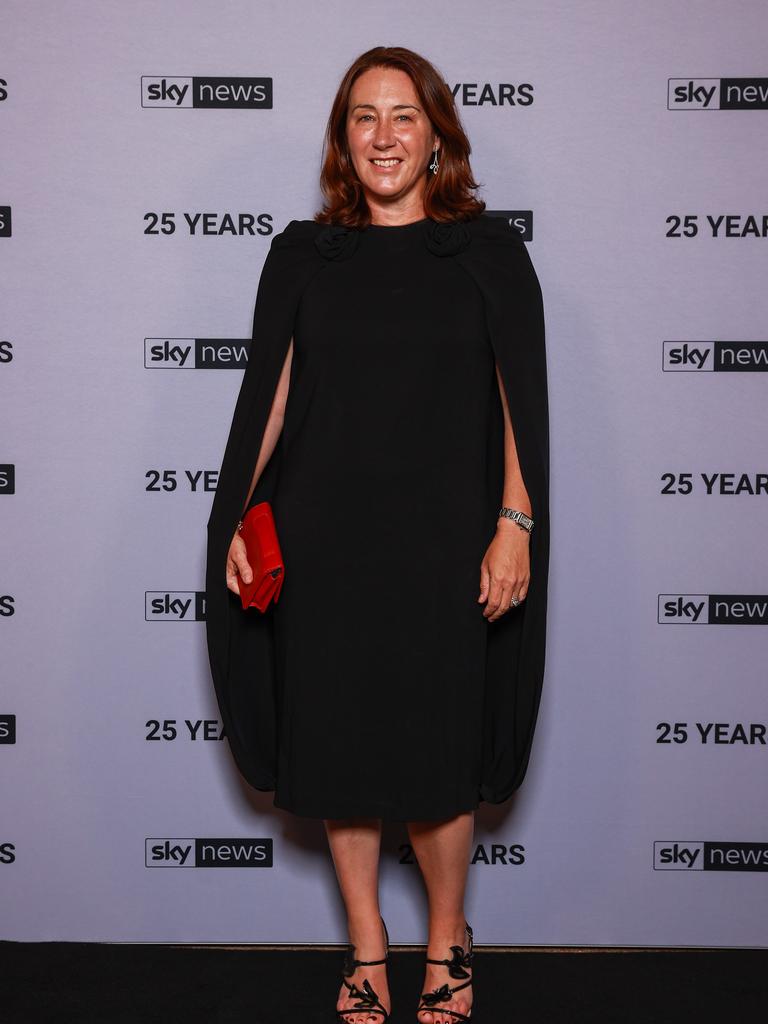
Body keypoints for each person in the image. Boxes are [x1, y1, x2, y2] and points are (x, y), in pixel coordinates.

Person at [204, 45, 550, 1024]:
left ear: (436, 132)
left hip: (445, 542)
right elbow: (267, 407)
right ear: (342, 137)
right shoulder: (301, 255)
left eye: (405, 115)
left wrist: (514, 524)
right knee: (343, 754)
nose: (385, 135)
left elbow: (519, 403)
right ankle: (366, 947)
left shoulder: (487, 253)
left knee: (439, 761)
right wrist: (240, 517)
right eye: (365, 116)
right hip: (322, 540)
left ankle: (446, 939)